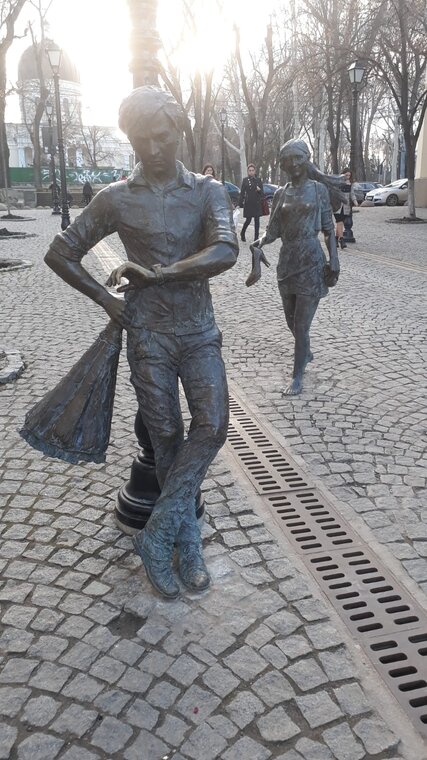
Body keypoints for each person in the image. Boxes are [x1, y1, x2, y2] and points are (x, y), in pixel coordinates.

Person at [44, 86, 238, 599]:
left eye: (161, 137)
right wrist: (106, 301)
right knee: (167, 436)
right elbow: (60, 252)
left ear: (179, 131)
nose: (152, 149)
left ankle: (156, 534)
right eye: (140, 140)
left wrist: (162, 273)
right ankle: (186, 544)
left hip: (198, 330)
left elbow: (226, 248)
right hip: (148, 335)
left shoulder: (207, 191)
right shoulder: (116, 197)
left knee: (213, 424)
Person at [246, 139, 340, 396]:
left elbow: (329, 229)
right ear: (283, 164)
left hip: (311, 260)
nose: (294, 163)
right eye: (289, 159)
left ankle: (297, 376)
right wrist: (258, 243)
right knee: (290, 320)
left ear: (306, 159)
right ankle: (305, 351)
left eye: (299, 158)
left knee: (301, 325)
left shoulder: (318, 190)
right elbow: (273, 230)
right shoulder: (281, 194)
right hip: (287, 262)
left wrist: (334, 259)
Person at [334, 168, 358, 249]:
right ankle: (341, 240)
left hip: (346, 206)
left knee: (339, 223)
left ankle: (335, 239)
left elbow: (352, 194)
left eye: (349, 175)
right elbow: (334, 192)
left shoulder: (350, 184)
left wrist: (355, 201)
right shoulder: (338, 182)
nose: (347, 177)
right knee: (339, 222)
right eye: (346, 175)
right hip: (337, 205)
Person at [239, 164, 264, 242]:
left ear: (255, 171)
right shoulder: (245, 180)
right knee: (248, 220)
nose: (251, 172)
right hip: (248, 203)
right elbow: (242, 193)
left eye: (253, 170)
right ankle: (242, 232)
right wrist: (240, 203)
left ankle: (256, 239)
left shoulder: (258, 180)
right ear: (247, 171)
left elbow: (262, 194)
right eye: (250, 170)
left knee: (257, 221)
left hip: (257, 203)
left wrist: (259, 190)